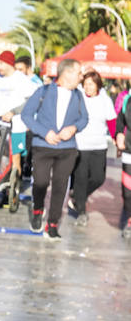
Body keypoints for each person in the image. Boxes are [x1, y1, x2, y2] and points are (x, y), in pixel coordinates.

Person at [20, 58, 88, 240]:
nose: (82, 77)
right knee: (40, 182)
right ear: (67, 73)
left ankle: (52, 224)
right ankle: (37, 208)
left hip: (67, 149)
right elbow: (26, 115)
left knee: (60, 186)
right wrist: (44, 132)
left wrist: (74, 128)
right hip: (43, 145)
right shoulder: (43, 91)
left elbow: (84, 119)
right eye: (79, 73)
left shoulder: (78, 95)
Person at [70, 69, 116, 227]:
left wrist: (116, 137)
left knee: (98, 178)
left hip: (99, 145)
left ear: (98, 85)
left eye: (92, 84)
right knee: (81, 178)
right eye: (86, 84)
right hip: (80, 144)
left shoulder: (105, 100)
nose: (88, 87)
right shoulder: (78, 97)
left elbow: (111, 120)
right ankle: (82, 212)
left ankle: (76, 196)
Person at [0, 51, 38, 181]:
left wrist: (13, 112)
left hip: (16, 127)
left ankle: (14, 192)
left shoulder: (21, 79)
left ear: (8, 63)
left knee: (15, 159)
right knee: (0, 158)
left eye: (1, 63)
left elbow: (31, 100)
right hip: (0, 126)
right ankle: (2, 187)